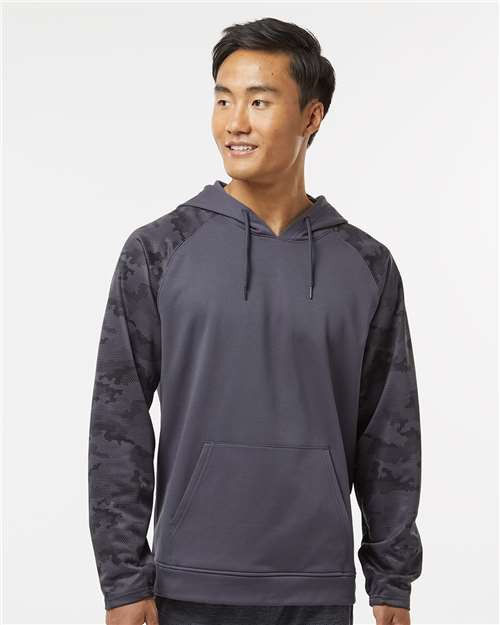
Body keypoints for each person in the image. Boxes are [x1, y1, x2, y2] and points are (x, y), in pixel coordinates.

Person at [88, 16, 423, 625]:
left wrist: (391, 580)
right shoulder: (158, 250)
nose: (234, 123)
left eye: (259, 102)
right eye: (223, 100)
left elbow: (389, 431)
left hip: (316, 588)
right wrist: (123, 579)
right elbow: (119, 423)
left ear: (311, 117)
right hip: (186, 583)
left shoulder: (367, 265)